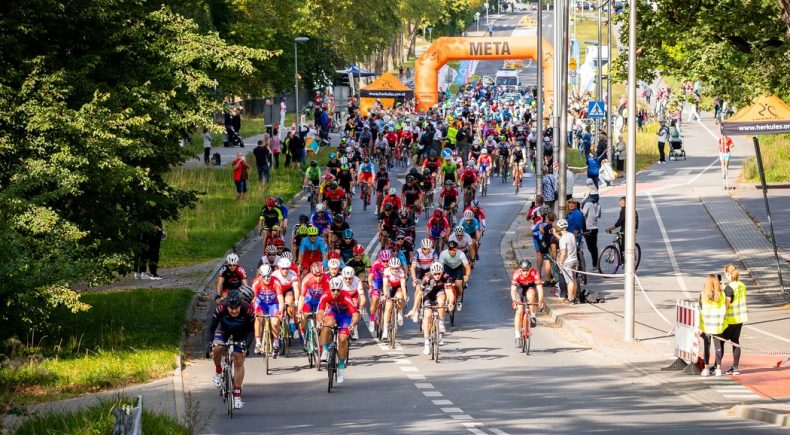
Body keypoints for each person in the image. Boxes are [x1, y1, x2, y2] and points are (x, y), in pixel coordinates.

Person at [209, 290, 254, 409]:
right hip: (223, 329)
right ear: (227, 306)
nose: (234, 311)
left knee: (239, 360)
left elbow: (251, 330)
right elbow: (211, 328)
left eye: (236, 308)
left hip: (241, 331)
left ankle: (237, 395)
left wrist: (247, 346)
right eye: (231, 309)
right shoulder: (221, 308)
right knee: (217, 347)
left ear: (240, 305)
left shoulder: (247, 309)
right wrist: (209, 345)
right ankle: (218, 371)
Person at [317, 277, 360, 383]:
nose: (336, 292)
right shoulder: (326, 294)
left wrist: (353, 324)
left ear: (341, 289)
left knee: (343, 339)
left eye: (338, 290)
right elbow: (320, 312)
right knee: (327, 324)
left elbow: (355, 314)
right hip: (333, 313)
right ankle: (326, 350)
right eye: (333, 290)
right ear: (330, 288)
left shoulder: (345, 296)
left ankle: (341, 368)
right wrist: (321, 321)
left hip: (345, 316)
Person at [406, 262, 454, 354]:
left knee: (441, 300)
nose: (437, 276)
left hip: (439, 293)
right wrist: (414, 309)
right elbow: (419, 294)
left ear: (442, 272)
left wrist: (451, 303)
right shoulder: (426, 278)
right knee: (427, 316)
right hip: (428, 295)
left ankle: (440, 322)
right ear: (432, 273)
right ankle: (427, 344)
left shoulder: (446, 277)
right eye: (435, 274)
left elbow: (450, 292)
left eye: (439, 273)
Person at [252, 265, 284, 356]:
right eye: (264, 276)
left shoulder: (276, 282)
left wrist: (280, 311)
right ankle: (258, 342)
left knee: (275, 322)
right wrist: (253, 310)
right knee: (258, 317)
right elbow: (253, 299)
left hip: (273, 303)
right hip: (261, 303)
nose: (266, 279)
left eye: (268, 276)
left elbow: (281, 299)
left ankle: (276, 343)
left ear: (271, 274)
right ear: (260, 276)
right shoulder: (256, 282)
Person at [510, 259, 545, 345]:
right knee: (520, 310)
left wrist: (541, 300)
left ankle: (532, 315)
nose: (525, 273)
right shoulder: (516, 274)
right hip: (519, 289)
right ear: (520, 269)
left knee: (531, 295)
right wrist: (514, 300)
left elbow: (540, 289)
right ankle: (517, 335)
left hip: (530, 288)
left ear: (530, 269)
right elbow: (513, 290)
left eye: (527, 270)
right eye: (523, 270)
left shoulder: (535, 273)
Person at [722, 264, 748, 375]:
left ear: (728, 274)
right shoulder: (742, 285)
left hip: (730, 318)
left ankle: (716, 366)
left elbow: (727, 303)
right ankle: (735, 367)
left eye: (725, 274)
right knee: (735, 341)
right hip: (740, 317)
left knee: (719, 340)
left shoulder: (729, 287)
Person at [699, 274, 727, 377]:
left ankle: (706, 369)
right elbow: (726, 306)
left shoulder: (703, 294)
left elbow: (700, 307)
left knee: (707, 346)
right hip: (718, 324)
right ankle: (718, 369)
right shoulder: (721, 294)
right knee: (718, 346)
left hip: (707, 324)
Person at [438, 240, 470, 311]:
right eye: (450, 249)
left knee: (459, 284)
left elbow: (467, 267)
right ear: (447, 248)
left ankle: (458, 300)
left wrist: (467, 276)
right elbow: (440, 266)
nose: (452, 251)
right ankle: (447, 299)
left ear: (457, 248)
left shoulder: (461, 254)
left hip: (457, 268)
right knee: (445, 283)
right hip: (447, 268)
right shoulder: (443, 254)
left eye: (454, 249)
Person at [556, 219, 578, 304]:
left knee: (569, 281)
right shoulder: (571, 235)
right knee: (574, 279)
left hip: (567, 262)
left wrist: (561, 262)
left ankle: (570, 299)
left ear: (558, 228)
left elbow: (563, 253)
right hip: (575, 260)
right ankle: (574, 297)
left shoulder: (562, 240)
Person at [581, 191, 601, 269]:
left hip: (588, 228)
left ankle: (595, 263)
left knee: (590, 247)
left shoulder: (588, 204)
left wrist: (581, 205)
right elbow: (599, 215)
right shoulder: (598, 204)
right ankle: (595, 264)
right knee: (594, 247)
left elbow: (583, 214)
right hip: (595, 228)